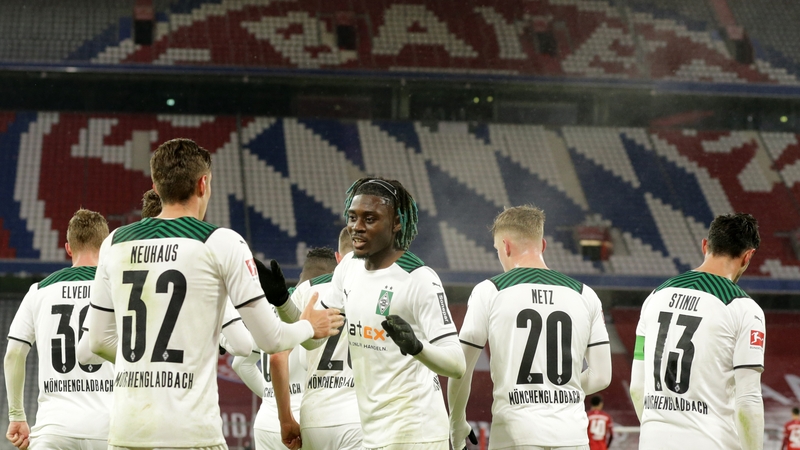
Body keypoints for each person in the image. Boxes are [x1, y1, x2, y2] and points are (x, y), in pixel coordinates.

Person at [85, 138, 343, 449]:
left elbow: (97, 342)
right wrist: (308, 326)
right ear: (203, 183)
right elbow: (269, 340)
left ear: (155, 186)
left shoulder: (114, 243)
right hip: (192, 432)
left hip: (127, 431)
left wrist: (146, 365)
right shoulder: (221, 242)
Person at [260, 177, 466, 449]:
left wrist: (418, 347)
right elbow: (314, 341)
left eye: (370, 219)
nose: (357, 226)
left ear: (396, 223)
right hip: (371, 434)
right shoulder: (349, 269)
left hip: (417, 431)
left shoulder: (420, 279)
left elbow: (457, 364)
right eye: (352, 217)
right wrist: (282, 303)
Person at [448, 205, 612, 450]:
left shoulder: (490, 290)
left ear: (506, 246)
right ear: (543, 245)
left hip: (515, 435)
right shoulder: (585, 294)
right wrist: (556, 391)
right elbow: (601, 376)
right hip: (573, 437)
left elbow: (461, 368)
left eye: (497, 249)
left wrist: (456, 423)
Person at [629, 213, 764, 450]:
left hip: (652, 441)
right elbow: (747, 400)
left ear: (705, 245)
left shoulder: (655, 296)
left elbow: (637, 388)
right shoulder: (744, 308)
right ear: (748, 255)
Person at [5, 209, 115, 450]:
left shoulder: (39, 290)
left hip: (53, 430)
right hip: (108, 429)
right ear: (106, 246)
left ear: (68, 248)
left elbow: (13, 354)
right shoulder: (117, 287)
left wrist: (17, 415)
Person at [231, 247, 339, 450]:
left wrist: (271, 397)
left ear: (302, 274)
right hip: (301, 421)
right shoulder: (320, 311)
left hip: (266, 422)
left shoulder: (273, 308)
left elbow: (240, 364)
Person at [275, 229, 361, 450]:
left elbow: (277, 357)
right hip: (360, 418)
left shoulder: (307, 290)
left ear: (338, 258)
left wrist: (286, 420)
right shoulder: (382, 287)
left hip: (315, 418)